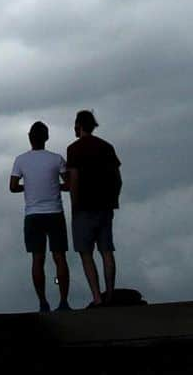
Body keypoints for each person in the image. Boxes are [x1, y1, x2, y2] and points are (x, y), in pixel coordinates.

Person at [9, 121, 71, 313]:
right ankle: (62, 300)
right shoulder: (56, 159)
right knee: (59, 258)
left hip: (33, 214)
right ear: (47, 137)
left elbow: (12, 186)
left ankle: (43, 302)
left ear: (29, 137)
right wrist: (55, 186)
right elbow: (68, 184)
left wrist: (29, 186)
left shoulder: (21, 160)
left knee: (38, 259)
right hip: (54, 212)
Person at [66, 109, 122, 307]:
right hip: (105, 206)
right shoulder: (107, 147)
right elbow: (117, 178)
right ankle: (110, 294)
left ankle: (97, 297)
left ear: (78, 126)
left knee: (86, 253)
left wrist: (74, 204)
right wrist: (113, 199)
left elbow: (74, 179)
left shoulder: (73, 149)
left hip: (83, 207)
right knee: (107, 251)